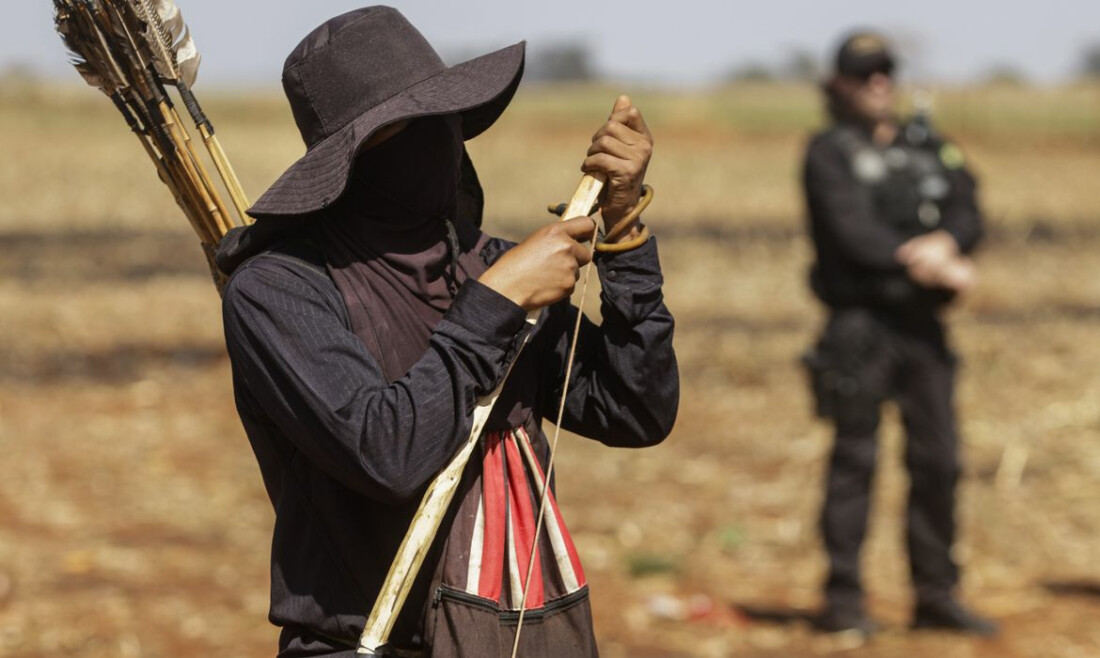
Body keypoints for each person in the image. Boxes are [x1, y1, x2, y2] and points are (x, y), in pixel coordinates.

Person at [216, 7, 678, 657]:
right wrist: (494, 306)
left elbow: (636, 410)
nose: (435, 143)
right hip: (364, 644)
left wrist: (624, 236)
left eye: (445, 119)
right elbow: (388, 453)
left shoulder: (482, 262)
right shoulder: (279, 290)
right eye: (406, 127)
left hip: (512, 632)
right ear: (351, 160)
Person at [801, 32, 997, 636]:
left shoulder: (930, 146)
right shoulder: (828, 152)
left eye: (885, 72)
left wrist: (950, 243)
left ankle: (936, 593)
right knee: (855, 461)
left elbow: (969, 210)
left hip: (923, 330)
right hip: (860, 325)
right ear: (841, 85)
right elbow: (851, 233)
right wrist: (930, 260)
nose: (878, 84)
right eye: (864, 75)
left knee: (939, 461)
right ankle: (844, 601)